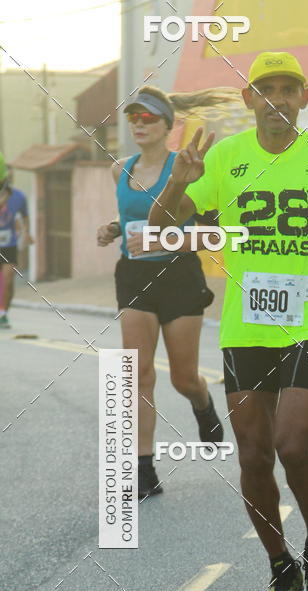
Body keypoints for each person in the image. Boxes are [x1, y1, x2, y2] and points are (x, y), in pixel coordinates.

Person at [149, 51, 308, 591]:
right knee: (254, 457)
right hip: (246, 328)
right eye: (266, 89)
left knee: (293, 445)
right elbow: (160, 226)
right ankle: (280, 566)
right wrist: (177, 183)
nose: (277, 99)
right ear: (249, 100)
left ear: (305, 98)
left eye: (289, 89)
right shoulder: (225, 158)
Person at [97, 85, 236, 499]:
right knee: (137, 373)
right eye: (133, 117)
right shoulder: (119, 169)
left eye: (148, 117)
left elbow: (214, 235)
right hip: (134, 278)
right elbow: (133, 218)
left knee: (182, 377)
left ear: (167, 125)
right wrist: (114, 228)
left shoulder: (190, 166)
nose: (139, 124)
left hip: (179, 277)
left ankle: (202, 403)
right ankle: (143, 468)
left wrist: (168, 241)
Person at [0, 161, 33, 328]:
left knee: (8, 279)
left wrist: (26, 233)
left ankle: (3, 313)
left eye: (10, 175)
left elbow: (25, 217)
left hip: (9, 245)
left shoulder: (19, 196)